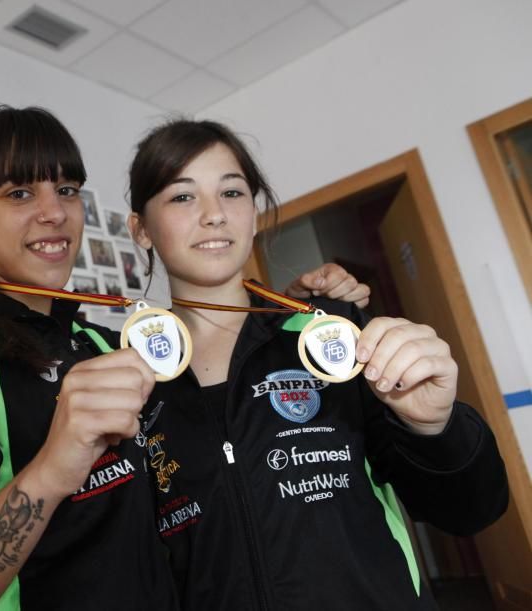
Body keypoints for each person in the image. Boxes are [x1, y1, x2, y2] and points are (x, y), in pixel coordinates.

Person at [0, 106, 363, 611]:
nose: (54, 212)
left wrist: (287, 323)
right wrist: (54, 467)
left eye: (67, 190)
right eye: (19, 193)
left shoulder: (96, 343)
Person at [125, 119, 509, 610]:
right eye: (182, 197)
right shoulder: (129, 382)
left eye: (233, 192)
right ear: (141, 228)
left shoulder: (331, 337)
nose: (214, 215)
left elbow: (470, 510)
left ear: (254, 210)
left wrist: (436, 426)